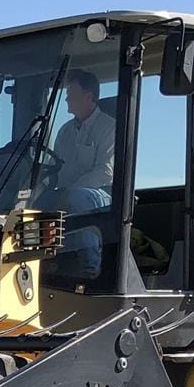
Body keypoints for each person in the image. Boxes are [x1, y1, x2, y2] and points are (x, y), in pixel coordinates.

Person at [41, 69, 115, 280]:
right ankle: (45, 262)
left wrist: (69, 191)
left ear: (88, 96)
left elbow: (105, 172)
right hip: (68, 191)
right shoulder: (65, 131)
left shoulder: (109, 128)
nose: (66, 99)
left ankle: (89, 268)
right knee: (39, 200)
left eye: (71, 95)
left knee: (77, 198)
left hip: (103, 195)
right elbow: (54, 167)